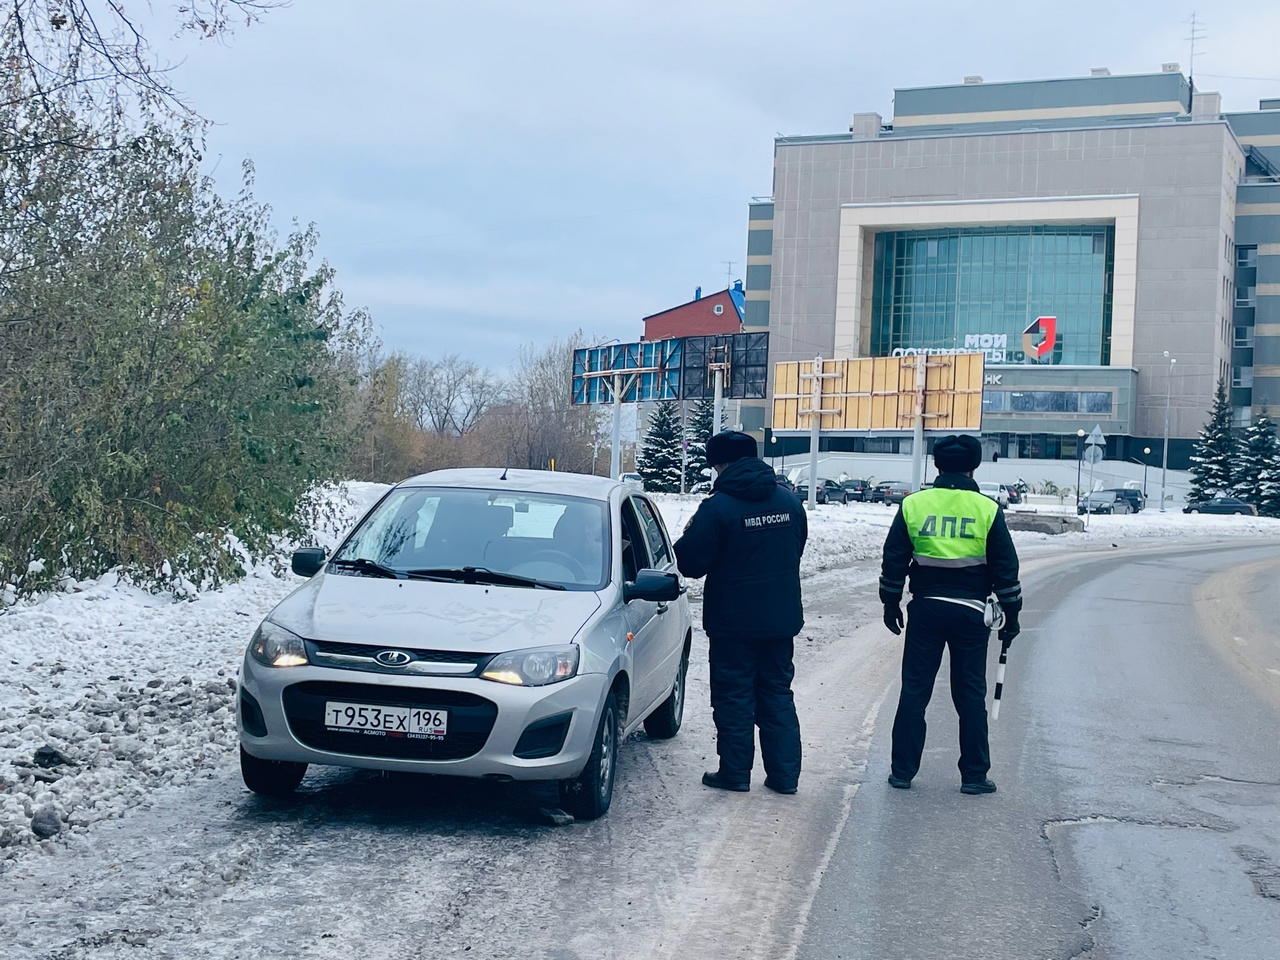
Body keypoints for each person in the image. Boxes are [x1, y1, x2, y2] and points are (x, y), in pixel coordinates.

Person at [878, 434, 1022, 795]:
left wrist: (890, 601)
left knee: (915, 689)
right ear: (973, 466)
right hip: (971, 611)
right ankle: (974, 775)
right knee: (970, 694)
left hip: (926, 608)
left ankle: (902, 772)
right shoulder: (986, 509)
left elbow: (894, 557)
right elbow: (1005, 567)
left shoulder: (914, 504)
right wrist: (1012, 614)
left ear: (937, 465)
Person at [674, 430, 808, 794]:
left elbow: (689, 562)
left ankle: (734, 774)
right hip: (780, 621)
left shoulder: (718, 508)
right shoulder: (790, 502)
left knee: (734, 697)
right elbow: (797, 548)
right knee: (777, 694)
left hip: (733, 624)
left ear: (722, 464)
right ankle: (784, 777)